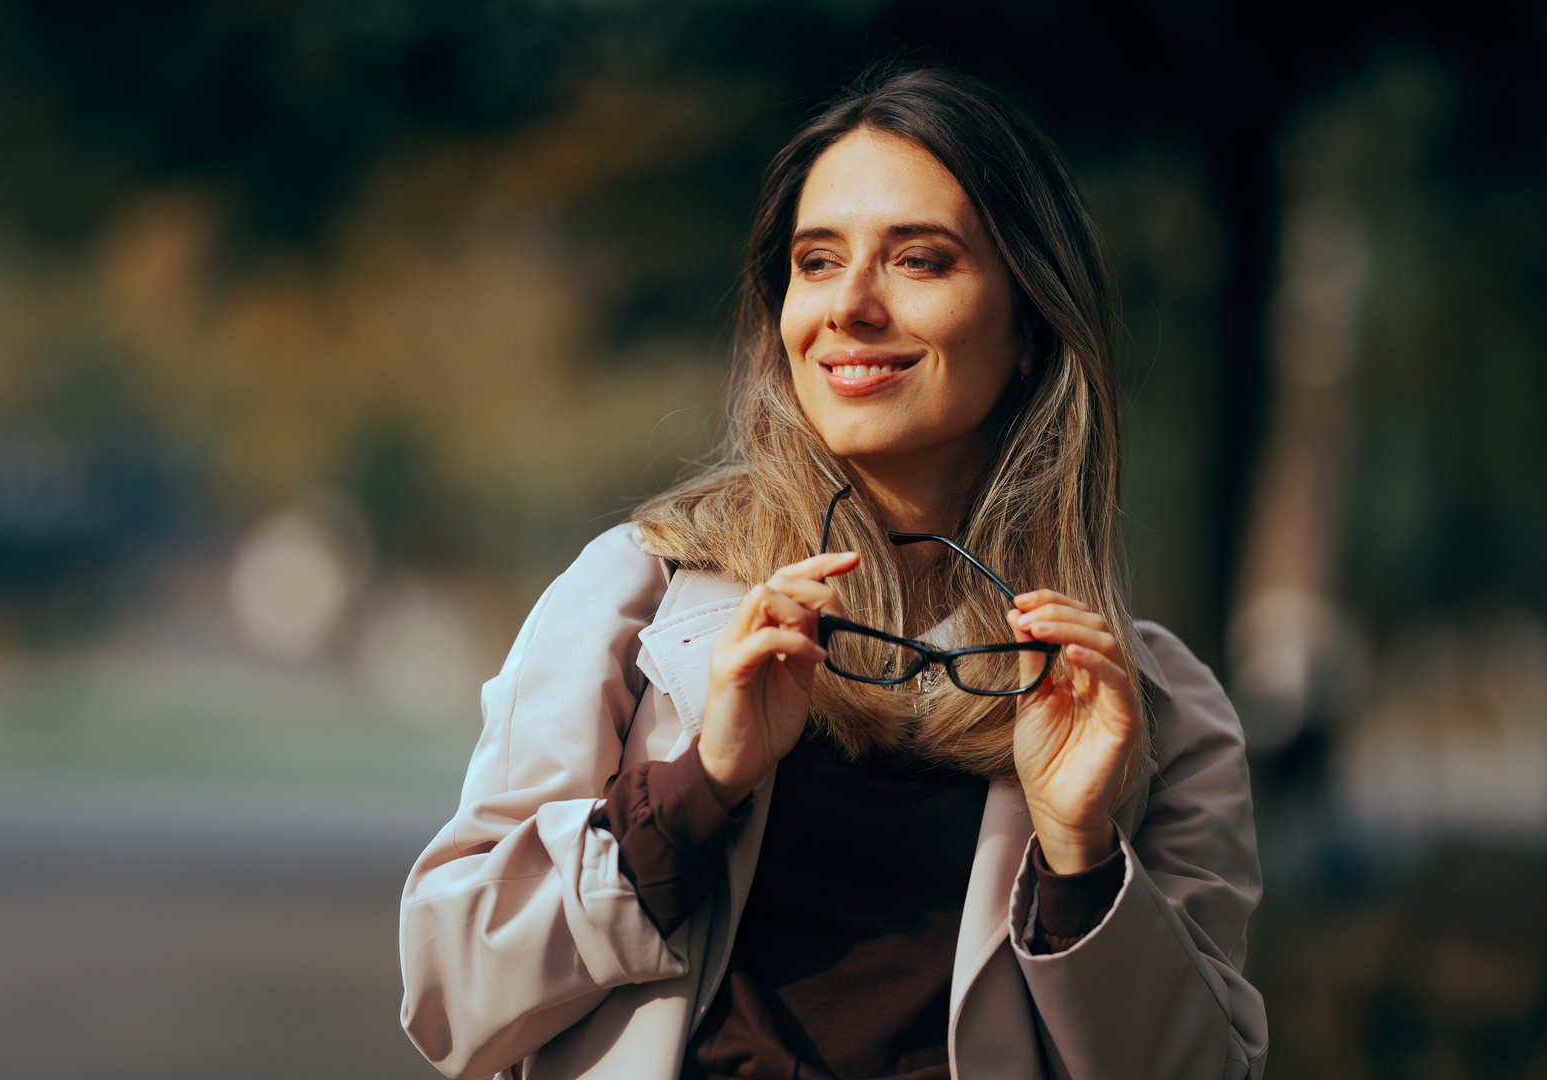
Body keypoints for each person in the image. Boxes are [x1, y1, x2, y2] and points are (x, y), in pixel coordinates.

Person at [399, 65, 1267, 1080]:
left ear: (1029, 323)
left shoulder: (1152, 709)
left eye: (920, 260)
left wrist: (1080, 855)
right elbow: (447, 997)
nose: (851, 306)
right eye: (817, 261)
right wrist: (694, 788)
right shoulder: (632, 604)